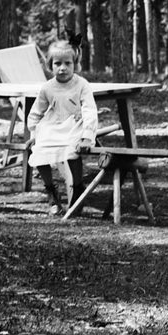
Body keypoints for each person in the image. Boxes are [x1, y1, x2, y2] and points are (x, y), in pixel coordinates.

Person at [26, 38, 97, 215]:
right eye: (57, 63)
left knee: (73, 150)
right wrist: (34, 135)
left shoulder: (82, 84)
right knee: (38, 151)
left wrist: (87, 137)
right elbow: (36, 112)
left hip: (75, 125)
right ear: (50, 65)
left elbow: (89, 110)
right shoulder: (47, 87)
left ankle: (78, 188)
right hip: (54, 125)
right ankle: (51, 191)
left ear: (75, 64)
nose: (62, 68)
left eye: (67, 63)